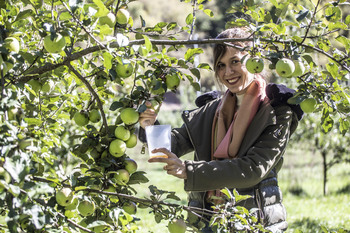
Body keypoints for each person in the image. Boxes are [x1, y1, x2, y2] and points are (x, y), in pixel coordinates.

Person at [138, 27, 303, 232]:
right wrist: (149, 126)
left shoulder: (276, 110)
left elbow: (253, 168)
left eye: (235, 62)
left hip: (253, 222)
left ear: (254, 60)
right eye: (220, 65)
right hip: (209, 219)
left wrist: (188, 170)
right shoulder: (213, 108)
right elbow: (173, 145)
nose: (227, 72)